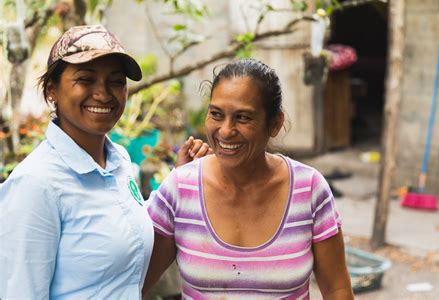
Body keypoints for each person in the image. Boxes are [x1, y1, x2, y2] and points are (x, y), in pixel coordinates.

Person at [0, 25, 210, 299]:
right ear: (52, 90)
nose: (103, 93)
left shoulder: (118, 160)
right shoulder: (36, 185)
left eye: (115, 81)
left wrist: (179, 179)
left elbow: (128, 264)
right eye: (86, 80)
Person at [145, 59, 354, 299]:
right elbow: (135, 281)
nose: (225, 130)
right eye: (216, 114)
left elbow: (338, 289)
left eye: (243, 118)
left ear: (275, 124)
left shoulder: (309, 189)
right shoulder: (180, 188)